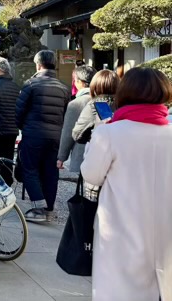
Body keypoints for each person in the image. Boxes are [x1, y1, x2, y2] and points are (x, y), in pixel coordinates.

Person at [81, 67, 172, 301]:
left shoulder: (110, 132)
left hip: (120, 228)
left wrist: (96, 137)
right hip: (165, 229)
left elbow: (91, 175)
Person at [15, 50, 70, 223]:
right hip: (56, 136)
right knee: (50, 172)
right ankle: (49, 210)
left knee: (29, 168)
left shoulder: (31, 84)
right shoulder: (63, 87)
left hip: (34, 133)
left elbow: (19, 111)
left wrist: (22, 127)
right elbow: (66, 114)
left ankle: (38, 207)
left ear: (38, 64)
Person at [57, 64, 96, 173]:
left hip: (81, 152)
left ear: (79, 82)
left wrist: (61, 157)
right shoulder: (104, 100)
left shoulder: (76, 103)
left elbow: (68, 131)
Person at [72, 69, 119, 144]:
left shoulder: (97, 104)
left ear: (95, 86)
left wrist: (92, 138)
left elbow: (77, 134)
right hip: (123, 151)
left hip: (101, 150)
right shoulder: (124, 104)